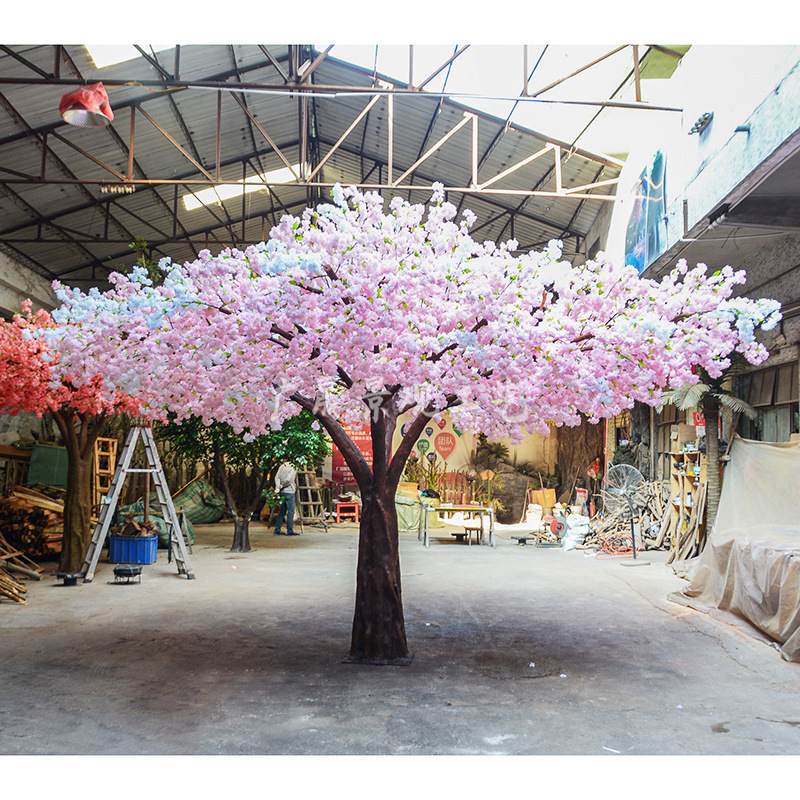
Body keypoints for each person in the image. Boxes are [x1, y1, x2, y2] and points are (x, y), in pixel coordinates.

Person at [274, 461, 298, 535]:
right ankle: (290, 530)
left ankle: (277, 529)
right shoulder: (293, 467)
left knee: (282, 511)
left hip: (282, 492)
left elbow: (277, 477)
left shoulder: (282, 466)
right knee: (291, 512)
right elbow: (289, 479)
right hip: (289, 491)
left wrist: (279, 486)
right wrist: (283, 484)